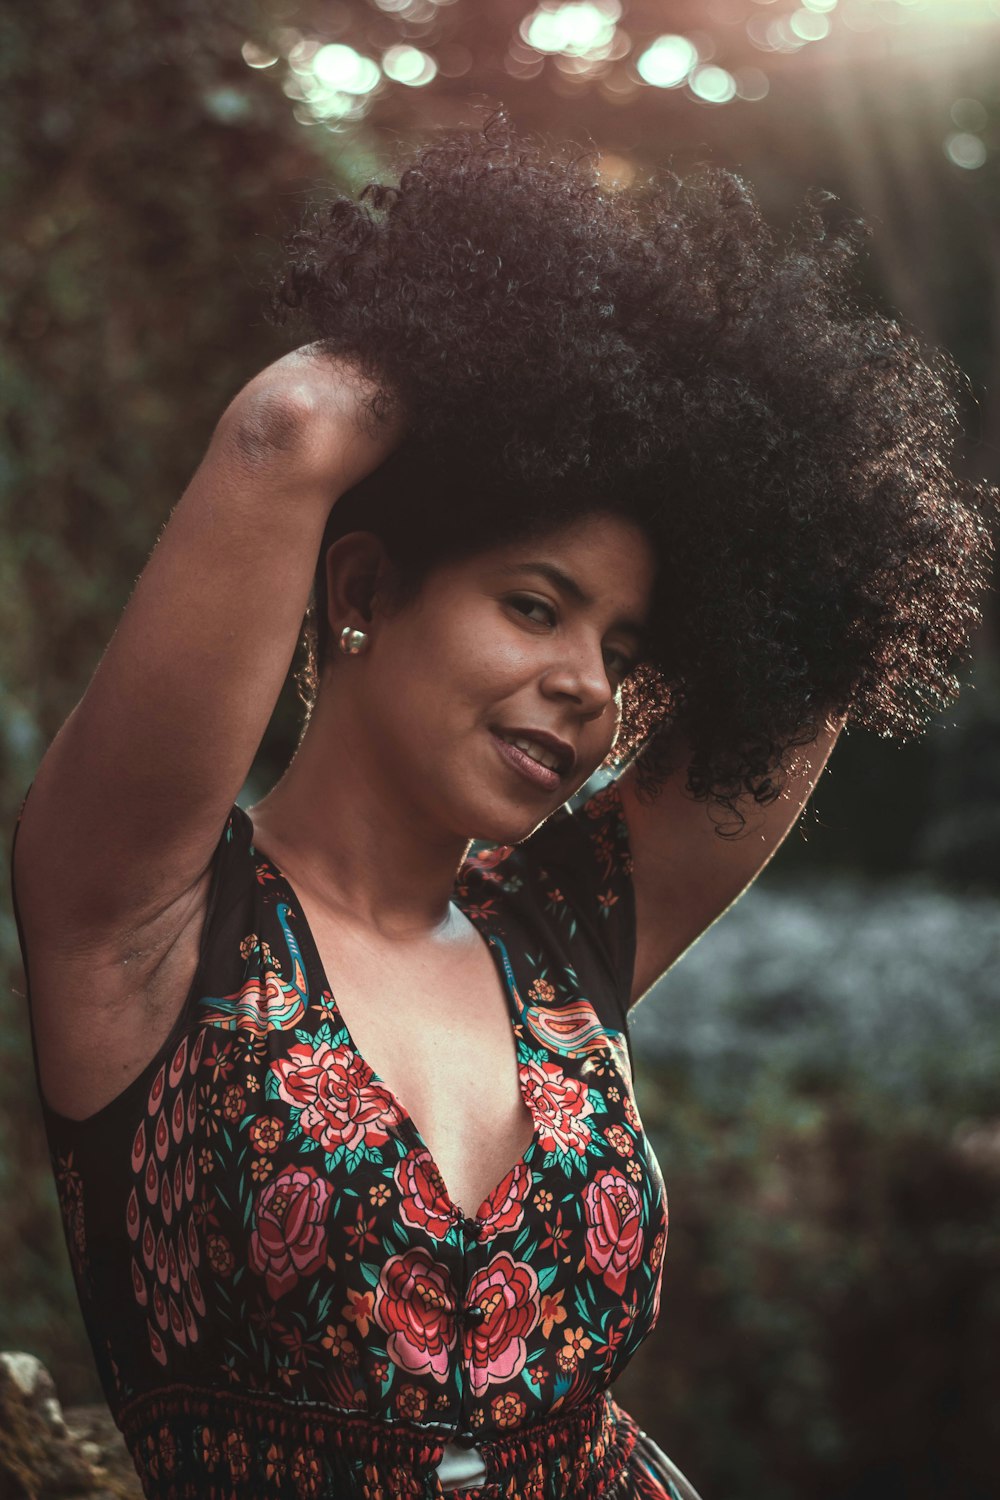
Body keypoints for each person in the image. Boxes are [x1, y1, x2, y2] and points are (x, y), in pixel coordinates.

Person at [10, 113, 993, 1500]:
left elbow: (829, 625)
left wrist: (716, 450)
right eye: (536, 606)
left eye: (623, 650)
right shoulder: (147, 924)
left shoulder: (568, 933)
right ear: (359, 595)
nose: (586, 685)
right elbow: (292, 425)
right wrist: (520, 380)